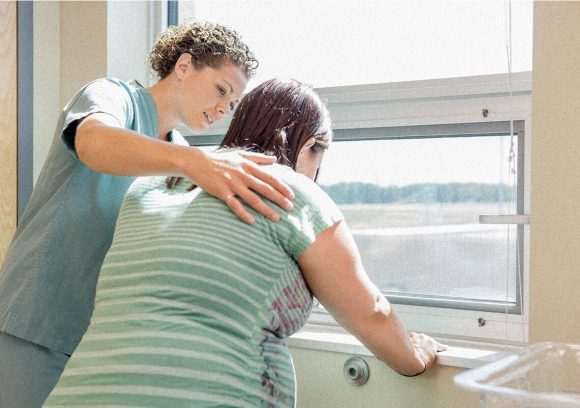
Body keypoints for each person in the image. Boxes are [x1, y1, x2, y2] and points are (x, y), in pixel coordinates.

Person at [43, 78, 446, 408]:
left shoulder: (151, 186)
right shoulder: (290, 189)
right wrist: (416, 357)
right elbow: (371, 312)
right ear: (310, 147)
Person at [0, 22, 295, 408]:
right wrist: (193, 162)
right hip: (37, 322)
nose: (225, 108)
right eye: (222, 90)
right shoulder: (112, 96)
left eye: (233, 103)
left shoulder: (184, 155)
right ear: (185, 65)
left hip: (105, 344)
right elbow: (93, 141)